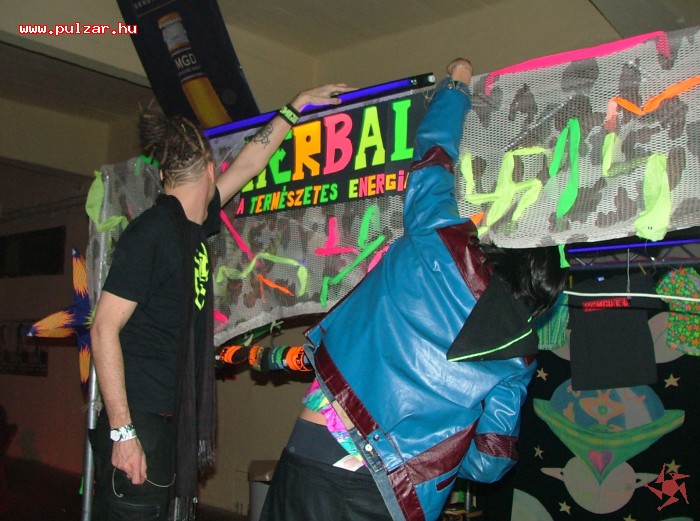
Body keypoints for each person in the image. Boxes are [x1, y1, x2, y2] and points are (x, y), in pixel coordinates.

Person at [259, 58, 569, 521]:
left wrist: (457, 84)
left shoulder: (436, 236)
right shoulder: (518, 356)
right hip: (397, 494)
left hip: (316, 449)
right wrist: (430, 455)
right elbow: (491, 462)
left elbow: (434, 154)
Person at [89, 81, 354, 521]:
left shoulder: (189, 225)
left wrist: (296, 105)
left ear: (164, 175)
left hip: (164, 419)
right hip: (140, 421)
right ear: (210, 169)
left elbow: (250, 162)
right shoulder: (152, 232)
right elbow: (103, 328)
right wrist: (123, 432)